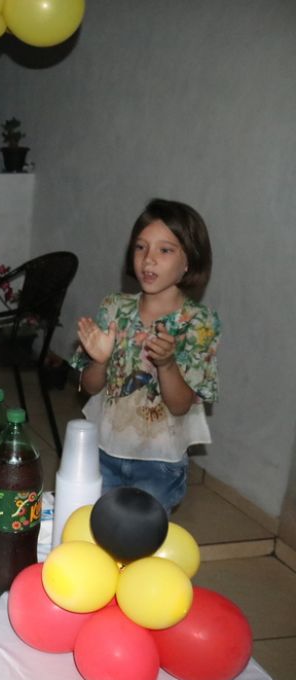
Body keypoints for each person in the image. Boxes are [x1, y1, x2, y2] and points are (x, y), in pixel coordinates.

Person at [70, 199, 220, 512]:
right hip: (104, 450)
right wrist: (100, 360)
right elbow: (89, 387)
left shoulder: (198, 322)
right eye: (141, 247)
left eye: (165, 250)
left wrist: (166, 364)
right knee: (96, 535)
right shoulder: (114, 308)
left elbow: (180, 405)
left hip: (159, 464)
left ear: (189, 261)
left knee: (141, 545)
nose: (148, 260)